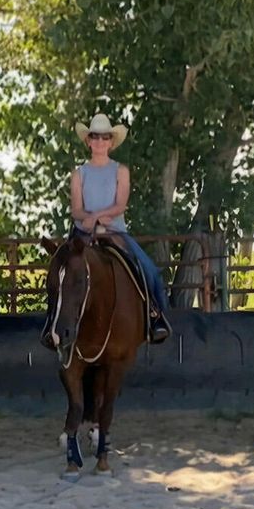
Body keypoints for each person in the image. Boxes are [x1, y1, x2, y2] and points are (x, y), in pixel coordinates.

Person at [68, 112, 171, 343]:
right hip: (84, 233)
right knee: (62, 270)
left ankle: (155, 316)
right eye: (95, 137)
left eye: (105, 137)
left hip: (114, 232)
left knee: (150, 270)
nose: (100, 142)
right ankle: (53, 322)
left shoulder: (120, 171)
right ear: (88, 141)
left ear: (111, 142)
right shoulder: (79, 174)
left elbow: (120, 205)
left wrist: (96, 216)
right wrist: (92, 219)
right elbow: (76, 209)